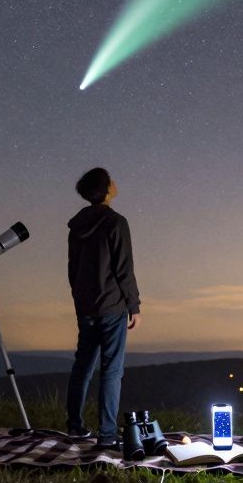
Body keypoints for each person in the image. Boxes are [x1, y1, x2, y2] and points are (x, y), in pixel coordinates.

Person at [65, 167, 141, 448]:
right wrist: (134, 305)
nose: (115, 182)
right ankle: (107, 435)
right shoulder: (116, 222)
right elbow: (124, 268)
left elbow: (72, 269)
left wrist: (79, 300)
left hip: (85, 307)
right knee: (111, 371)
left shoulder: (76, 226)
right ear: (106, 188)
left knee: (82, 366)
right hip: (111, 307)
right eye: (112, 179)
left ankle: (75, 426)